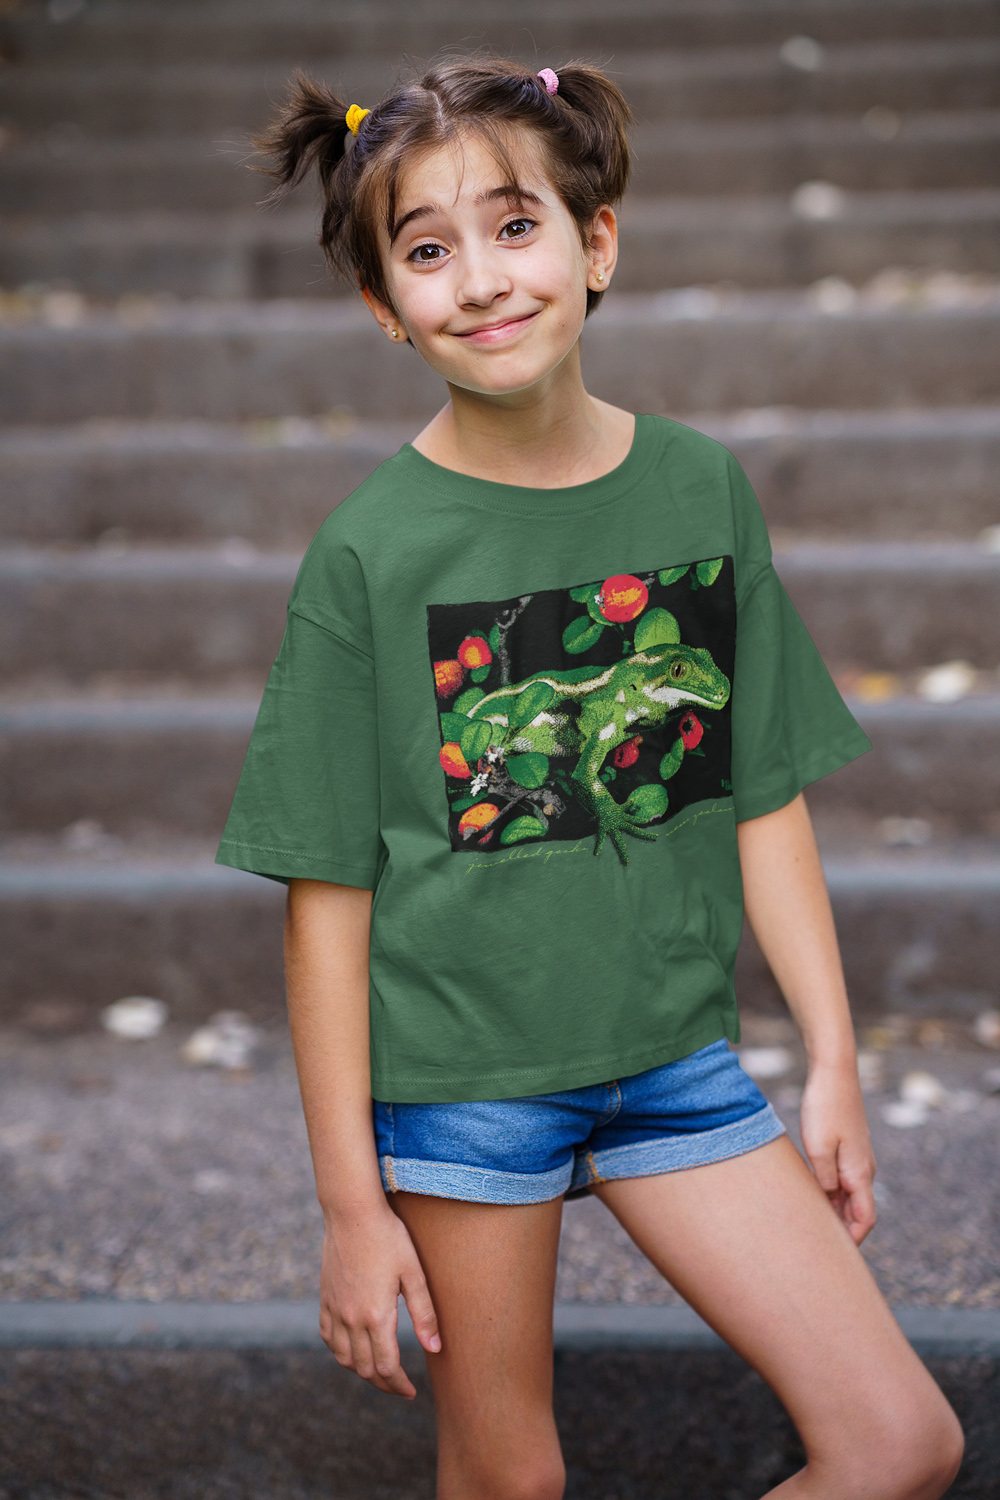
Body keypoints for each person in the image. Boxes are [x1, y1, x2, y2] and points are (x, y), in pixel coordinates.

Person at [215, 55, 963, 1499]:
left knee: (900, 1445)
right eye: (428, 252)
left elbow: (761, 792)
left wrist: (832, 1057)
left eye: (515, 227)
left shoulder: (700, 487)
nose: (482, 280)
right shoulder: (368, 553)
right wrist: (351, 1205)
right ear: (384, 306)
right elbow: (327, 894)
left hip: (675, 1063)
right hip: (462, 1091)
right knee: (512, 1481)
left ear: (596, 243)